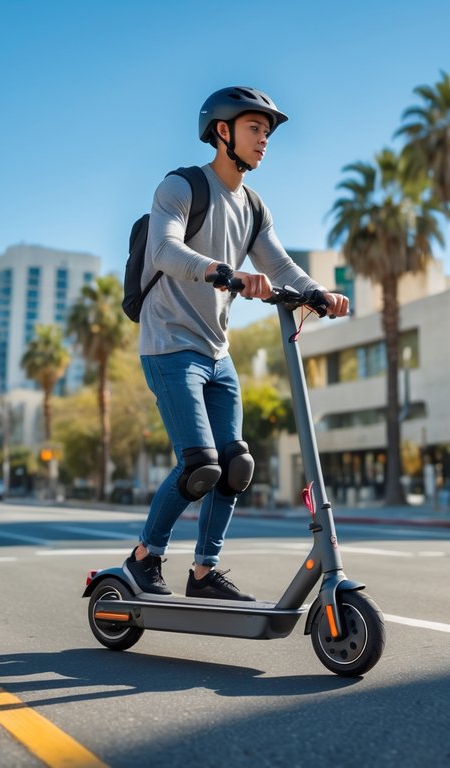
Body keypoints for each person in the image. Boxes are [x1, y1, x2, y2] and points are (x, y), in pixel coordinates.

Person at [125, 86, 350, 601]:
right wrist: (222, 272)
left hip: (217, 353)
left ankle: (204, 573)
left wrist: (317, 292)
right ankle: (144, 559)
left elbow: (279, 263)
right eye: (255, 129)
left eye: (268, 132)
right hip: (168, 345)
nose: (264, 140)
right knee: (199, 464)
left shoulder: (252, 206)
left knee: (236, 464)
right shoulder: (181, 187)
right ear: (222, 131)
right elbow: (163, 249)